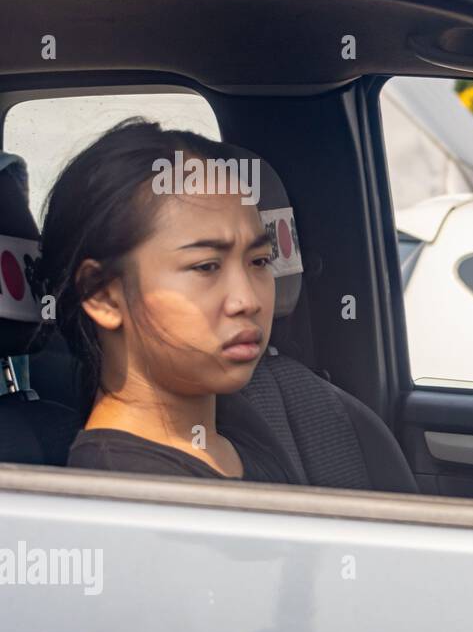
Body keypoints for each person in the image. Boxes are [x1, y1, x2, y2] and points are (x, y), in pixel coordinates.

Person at [37, 119, 294, 482]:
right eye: (206, 267)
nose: (247, 300)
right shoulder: (127, 492)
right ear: (102, 295)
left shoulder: (249, 423)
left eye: (259, 262)